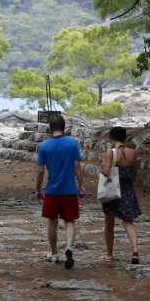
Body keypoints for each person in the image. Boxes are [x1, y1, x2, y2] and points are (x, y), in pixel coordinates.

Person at [35, 114, 85, 269]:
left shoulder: (43, 146)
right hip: (69, 189)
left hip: (52, 190)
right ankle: (69, 247)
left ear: (50, 128)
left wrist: (38, 190)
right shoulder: (72, 143)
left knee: (52, 222)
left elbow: (40, 171)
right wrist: (81, 185)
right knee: (69, 221)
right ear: (64, 127)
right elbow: (77, 166)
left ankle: (54, 252)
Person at [101, 126, 142, 264]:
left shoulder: (111, 152)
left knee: (109, 222)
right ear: (125, 138)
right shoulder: (132, 152)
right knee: (128, 222)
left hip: (113, 190)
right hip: (127, 189)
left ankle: (110, 253)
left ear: (111, 137)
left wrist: (103, 166)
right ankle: (135, 249)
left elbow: (107, 172)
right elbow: (135, 170)